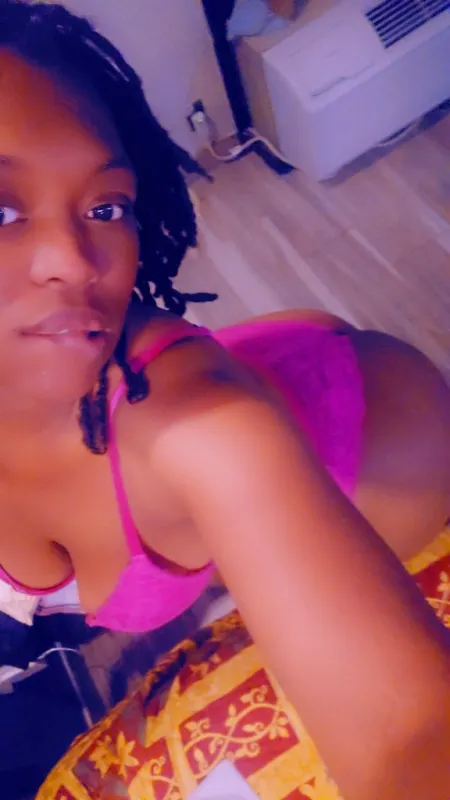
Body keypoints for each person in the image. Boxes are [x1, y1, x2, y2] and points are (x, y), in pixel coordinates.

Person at [0, 2, 449, 798]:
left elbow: (408, 735)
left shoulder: (206, 433)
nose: (74, 259)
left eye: (107, 208)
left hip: (388, 450)